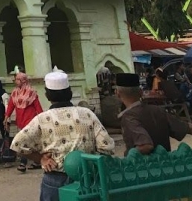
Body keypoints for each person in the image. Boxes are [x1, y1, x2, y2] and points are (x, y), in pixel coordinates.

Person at [11, 68, 115, 201]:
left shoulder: (42, 119)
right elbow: (107, 147)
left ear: (48, 96)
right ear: (70, 93)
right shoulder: (87, 114)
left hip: (55, 180)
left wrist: (41, 158)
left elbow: (17, 145)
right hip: (87, 180)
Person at [115, 73, 192, 155]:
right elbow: (185, 127)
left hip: (144, 173)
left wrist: (130, 154)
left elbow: (146, 145)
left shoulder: (128, 117)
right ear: (140, 92)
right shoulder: (157, 110)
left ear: (117, 93)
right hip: (165, 166)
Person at [5, 72, 43, 172]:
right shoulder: (15, 93)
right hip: (20, 120)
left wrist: (42, 118)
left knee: (24, 141)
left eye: (18, 79)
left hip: (30, 121)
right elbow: (11, 105)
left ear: (23, 80)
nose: (16, 81)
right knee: (31, 142)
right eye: (16, 79)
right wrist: (6, 117)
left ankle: (23, 163)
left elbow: (37, 106)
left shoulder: (31, 92)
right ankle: (37, 162)